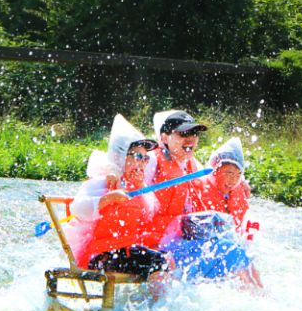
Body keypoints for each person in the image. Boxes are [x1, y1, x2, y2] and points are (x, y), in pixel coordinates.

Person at [69, 114, 169, 289]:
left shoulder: (137, 186)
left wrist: (139, 187)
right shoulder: (103, 181)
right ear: (121, 156)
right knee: (158, 262)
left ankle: (156, 303)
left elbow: (149, 214)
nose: (142, 163)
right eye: (138, 157)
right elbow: (78, 208)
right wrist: (109, 198)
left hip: (126, 251)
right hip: (101, 255)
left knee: (166, 258)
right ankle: (156, 304)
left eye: (145, 158)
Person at [183, 137, 263, 289]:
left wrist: (242, 180)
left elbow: (240, 228)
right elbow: (185, 165)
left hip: (225, 247)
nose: (233, 180)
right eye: (228, 173)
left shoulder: (238, 190)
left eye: (237, 175)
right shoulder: (198, 186)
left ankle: (259, 291)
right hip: (200, 246)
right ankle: (251, 294)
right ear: (215, 171)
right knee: (236, 254)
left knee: (247, 256)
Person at [144, 110, 207, 243]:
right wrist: (112, 171)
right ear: (164, 138)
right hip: (154, 240)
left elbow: (217, 178)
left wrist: (240, 183)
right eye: (184, 133)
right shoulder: (151, 161)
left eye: (194, 133)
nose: (191, 139)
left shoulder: (192, 163)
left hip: (181, 237)